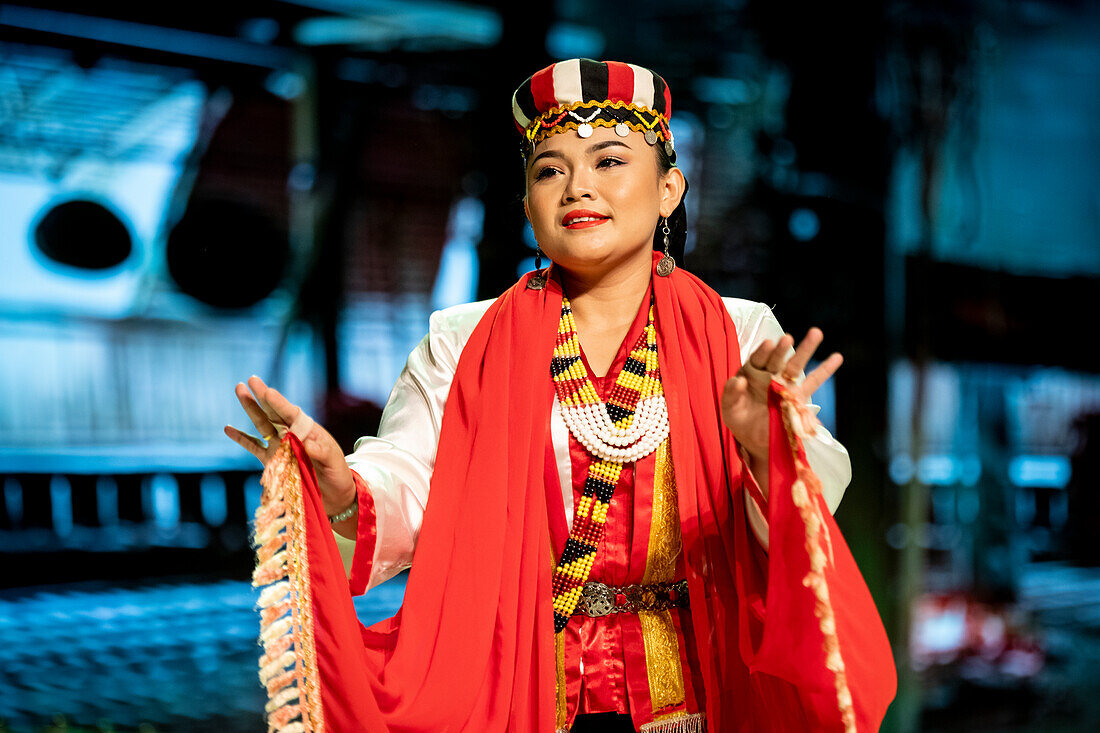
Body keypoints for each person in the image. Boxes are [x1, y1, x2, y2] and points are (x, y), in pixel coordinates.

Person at [227, 59, 896, 732]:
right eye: (550, 169)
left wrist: (763, 448)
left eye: (609, 161)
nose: (578, 186)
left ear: (668, 189)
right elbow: (408, 474)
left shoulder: (738, 332)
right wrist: (341, 487)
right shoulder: (463, 340)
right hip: (519, 685)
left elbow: (814, 506)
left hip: (696, 689)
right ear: (527, 205)